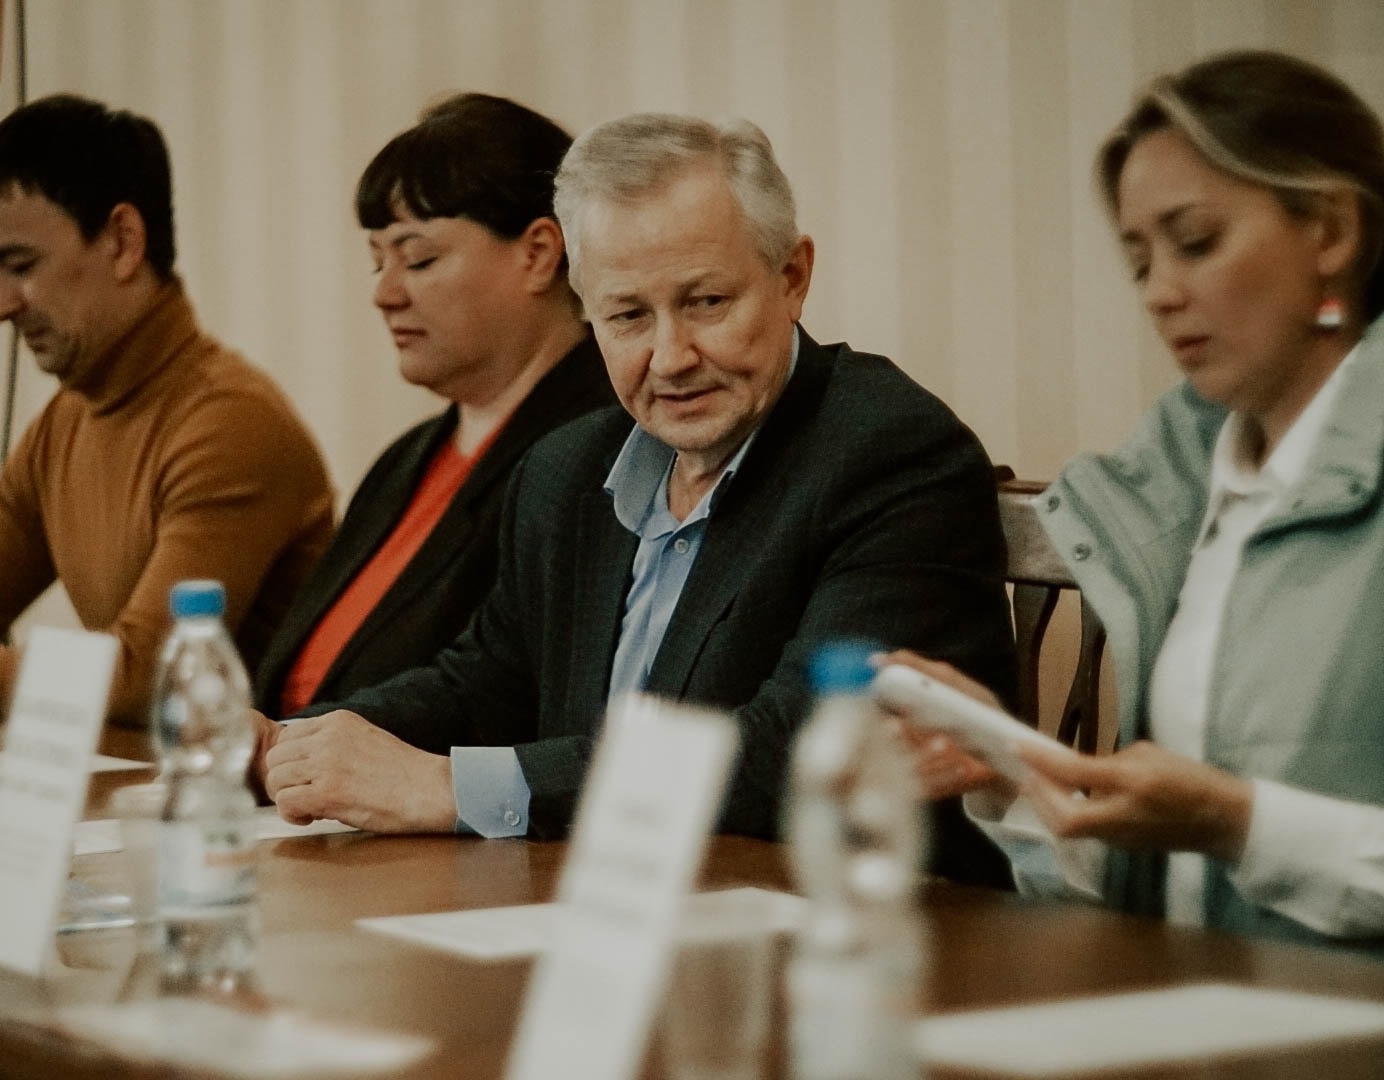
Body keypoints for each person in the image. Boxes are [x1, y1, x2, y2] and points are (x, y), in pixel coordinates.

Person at [253, 112, 1017, 885]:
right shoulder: (567, 469)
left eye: (706, 302)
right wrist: (288, 746)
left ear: (791, 277)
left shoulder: (890, 453)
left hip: (852, 916)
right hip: (610, 905)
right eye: (627, 316)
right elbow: (485, 680)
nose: (671, 357)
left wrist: (451, 788)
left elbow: (806, 745)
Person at [892, 50, 1384, 952]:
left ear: (1331, 229)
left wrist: (1241, 824)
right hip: (1196, 999)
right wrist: (1011, 770)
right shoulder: (1195, 494)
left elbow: (1222, 831)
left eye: (1196, 242)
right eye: (1139, 261)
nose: (1159, 293)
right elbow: (1175, 884)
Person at [0, 95, 335, 727]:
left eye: (19, 265)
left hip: (234, 788)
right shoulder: (62, 424)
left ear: (122, 242)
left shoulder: (231, 426)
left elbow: (152, 677)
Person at [251, 93, 613, 717]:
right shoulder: (404, 460)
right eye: (378, 263)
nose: (385, 294)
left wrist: (298, 741)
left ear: (538, 253)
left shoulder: (598, 450)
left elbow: (500, 696)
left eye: (419, 259)